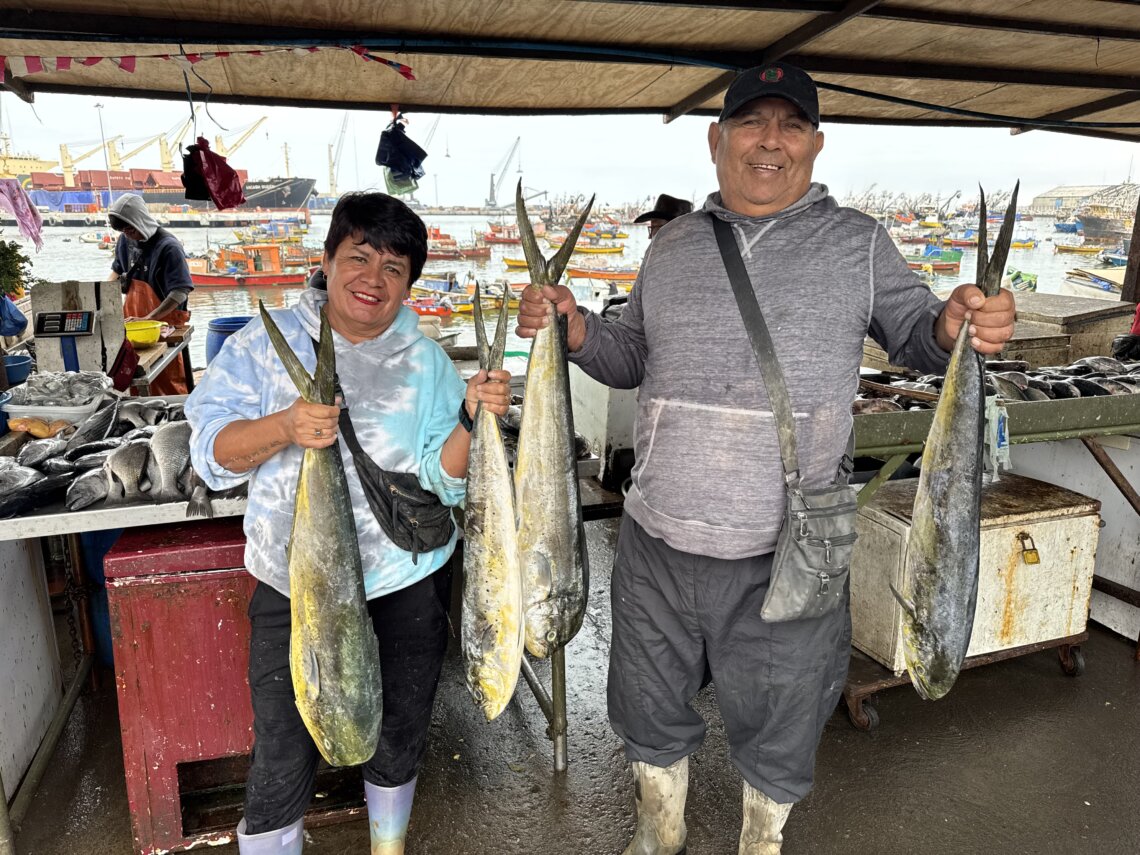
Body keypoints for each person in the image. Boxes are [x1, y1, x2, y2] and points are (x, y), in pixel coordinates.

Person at [516, 62, 1015, 855]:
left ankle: (761, 839)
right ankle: (659, 827)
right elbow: (632, 353)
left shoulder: (858, 243)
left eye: (791, 125)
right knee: (646, 699)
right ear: (717, 140)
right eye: (752, 122)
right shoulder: (673, 245)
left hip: (788, 549)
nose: (770, 141)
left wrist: (957, 325)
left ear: (816, 144)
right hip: (657, 539)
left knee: (782, 713)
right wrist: (577, 330)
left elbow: (921, 336)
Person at [185, 192, 511, 855]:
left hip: (403, 582)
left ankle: (387, 846)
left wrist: (471, 420)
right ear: (327, 260)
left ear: (409, 284)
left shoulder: (425, 362)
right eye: (359, 257)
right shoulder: (260, 345)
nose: (374, 279)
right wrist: (286, 426)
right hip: (294, 589)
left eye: (394, 268)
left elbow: (441, 478)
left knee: (398, 734)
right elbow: (211, 456)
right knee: (283, 748)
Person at [107, 193, 194, 395]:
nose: (127, 234)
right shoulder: (124, 241)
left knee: (169, 380)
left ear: (140, 219)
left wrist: (149, 318)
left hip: (165, 323)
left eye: (130, 229)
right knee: (133, 378)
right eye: (123, 230)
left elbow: (180, 292)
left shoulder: (169, 247)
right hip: (133, 324)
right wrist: (100, 297)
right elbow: (116, 272)